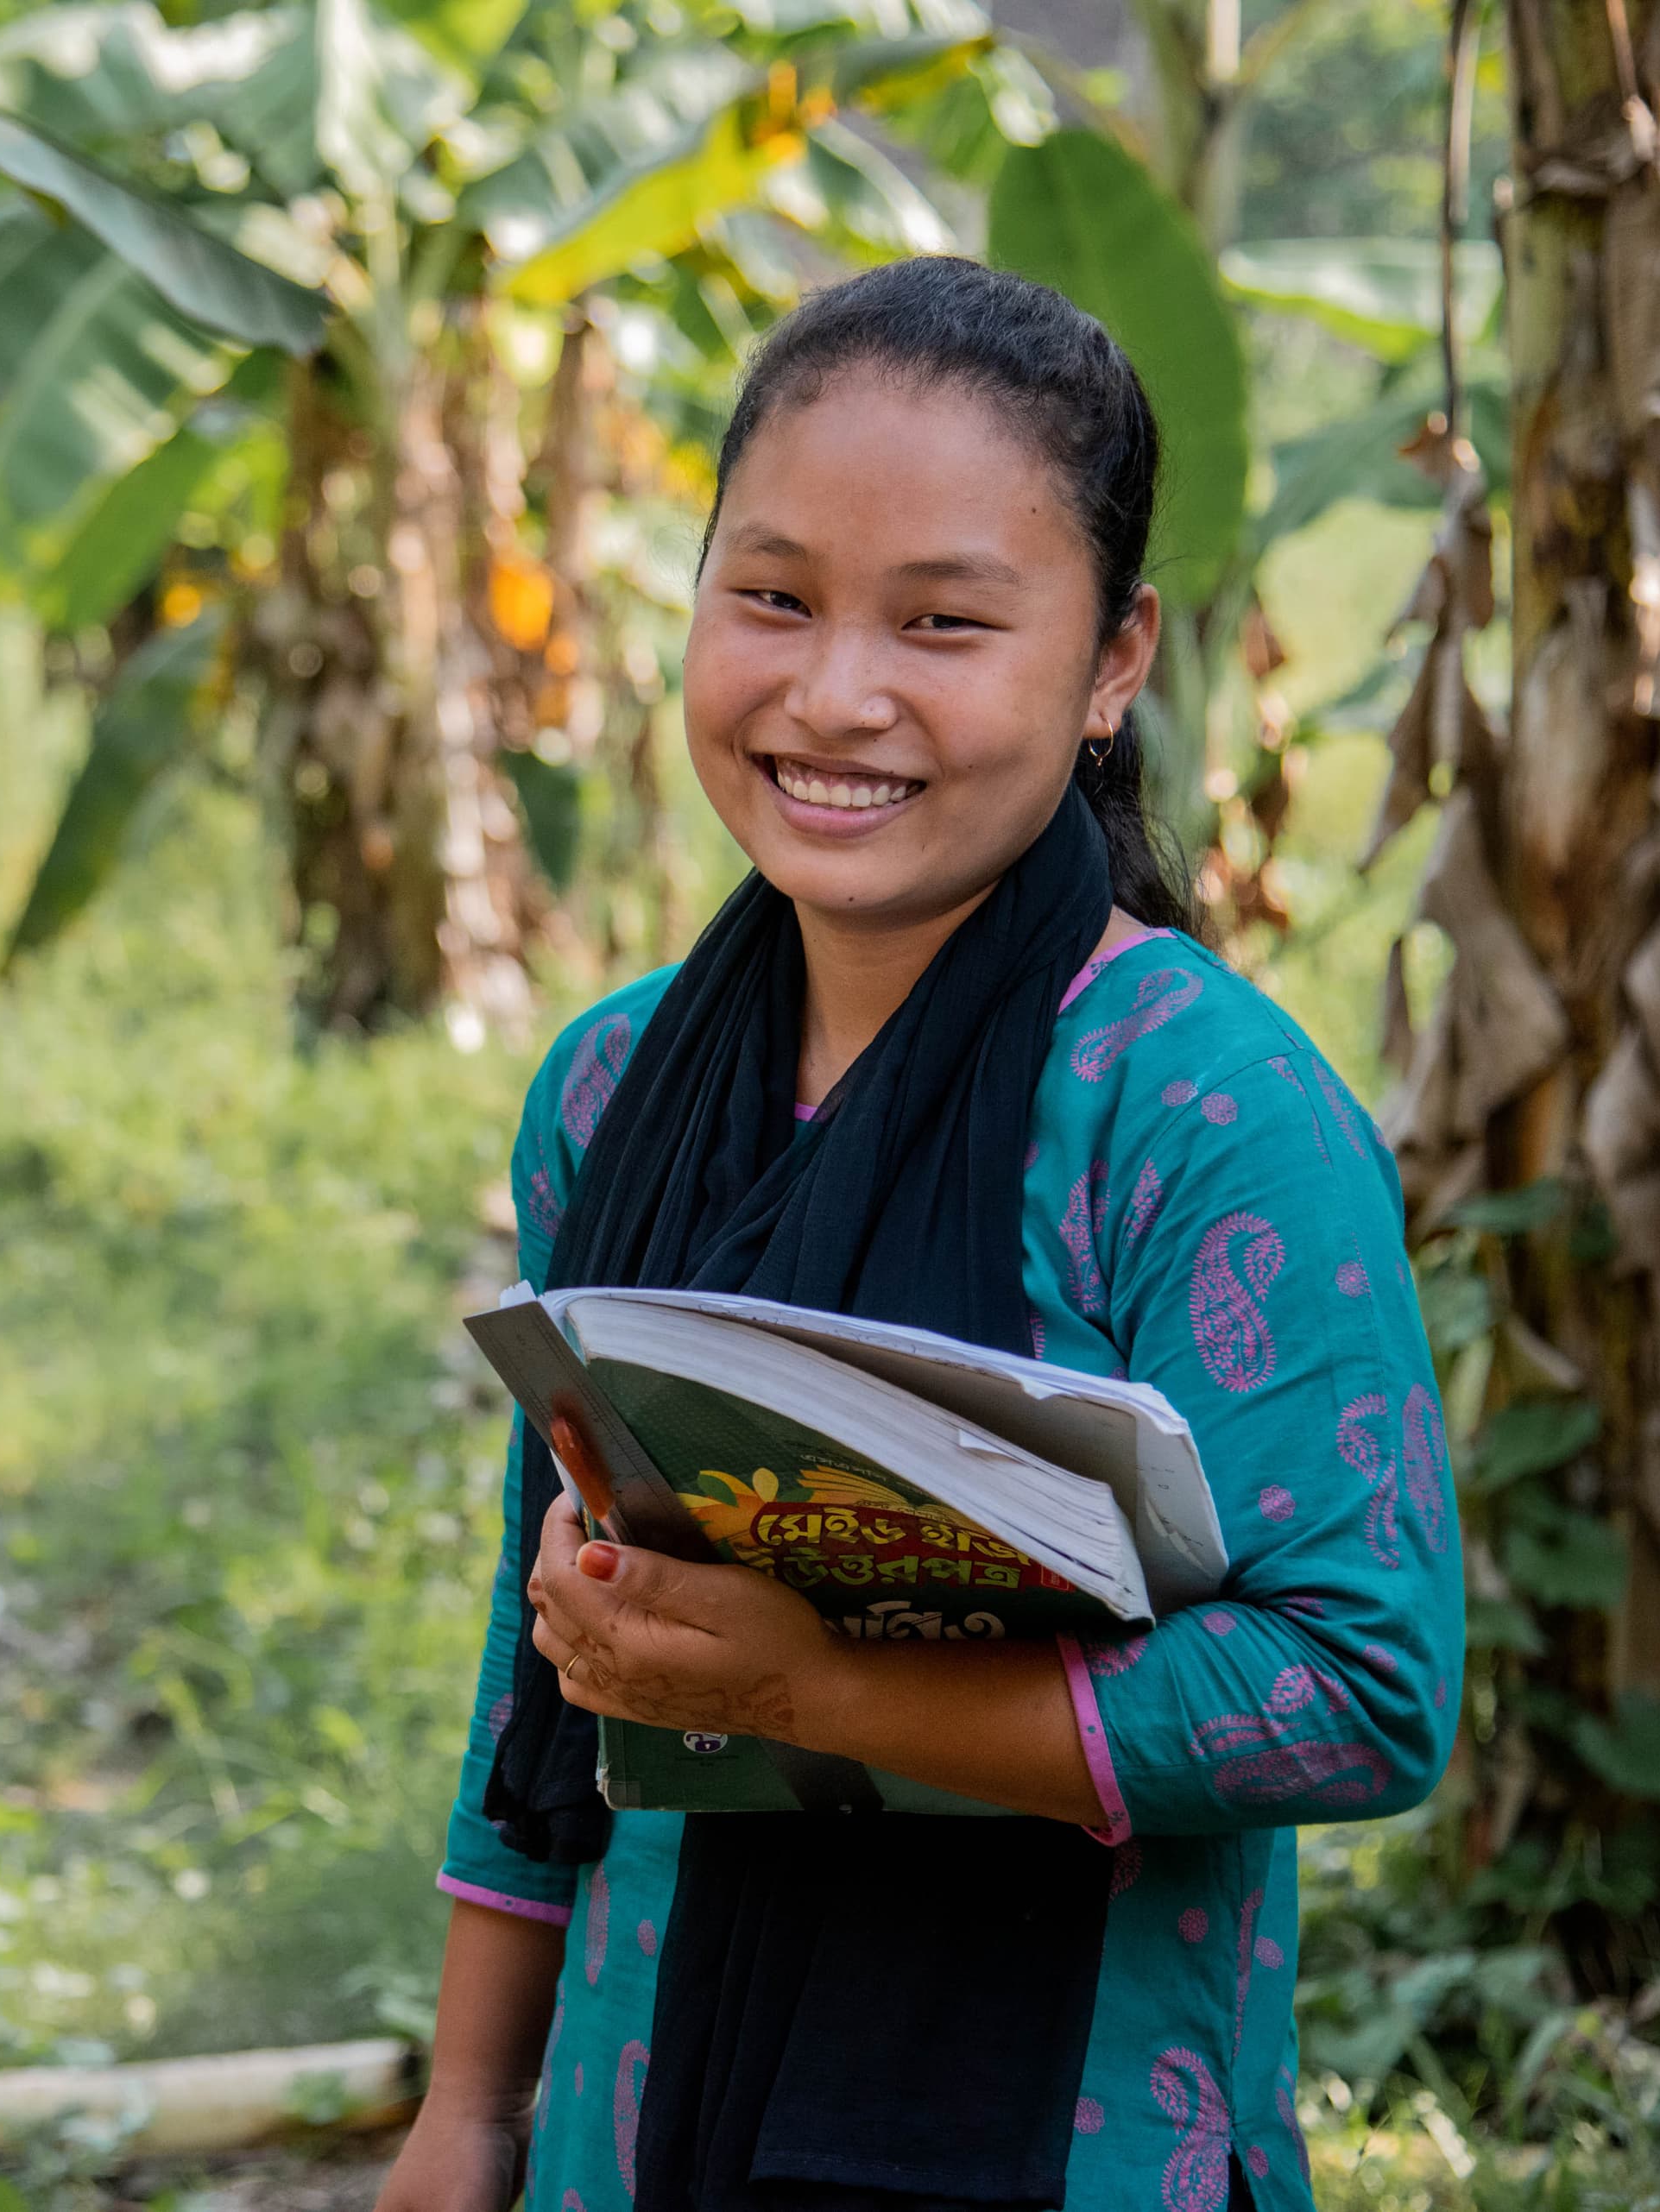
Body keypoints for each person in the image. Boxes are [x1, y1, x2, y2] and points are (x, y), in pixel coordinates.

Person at [376, 258, 1463, 2212]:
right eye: (771, 596)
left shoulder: (1206, 1112)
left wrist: (811, 1691)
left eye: (944, 622)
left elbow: (1358, 1683)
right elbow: (542, 1636)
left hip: (1068, 2132)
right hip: (641, 2113)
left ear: (1114, 660)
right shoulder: (612, 1088)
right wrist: (468, 2110)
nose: (835, 694)